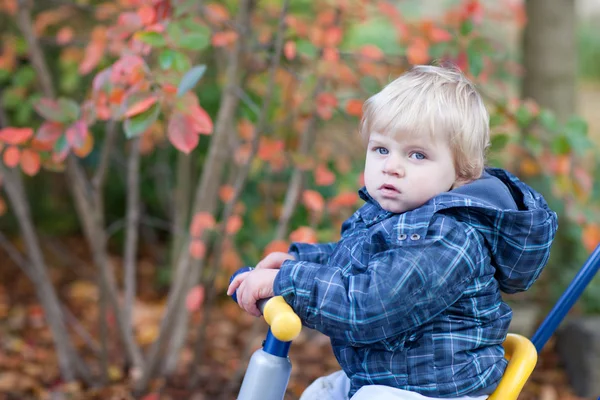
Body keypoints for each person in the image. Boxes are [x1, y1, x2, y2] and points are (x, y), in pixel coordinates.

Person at [227, 64, 558, 400]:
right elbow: (354, 261)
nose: (392, 166)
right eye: (382, 149)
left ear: (463, 173)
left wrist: (292, 282)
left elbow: (369, 304)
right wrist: (295, 263)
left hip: (437, 391)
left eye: (417, 155)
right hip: (388, 380)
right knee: (320, 393)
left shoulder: (448, 238)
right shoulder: (392, 212)